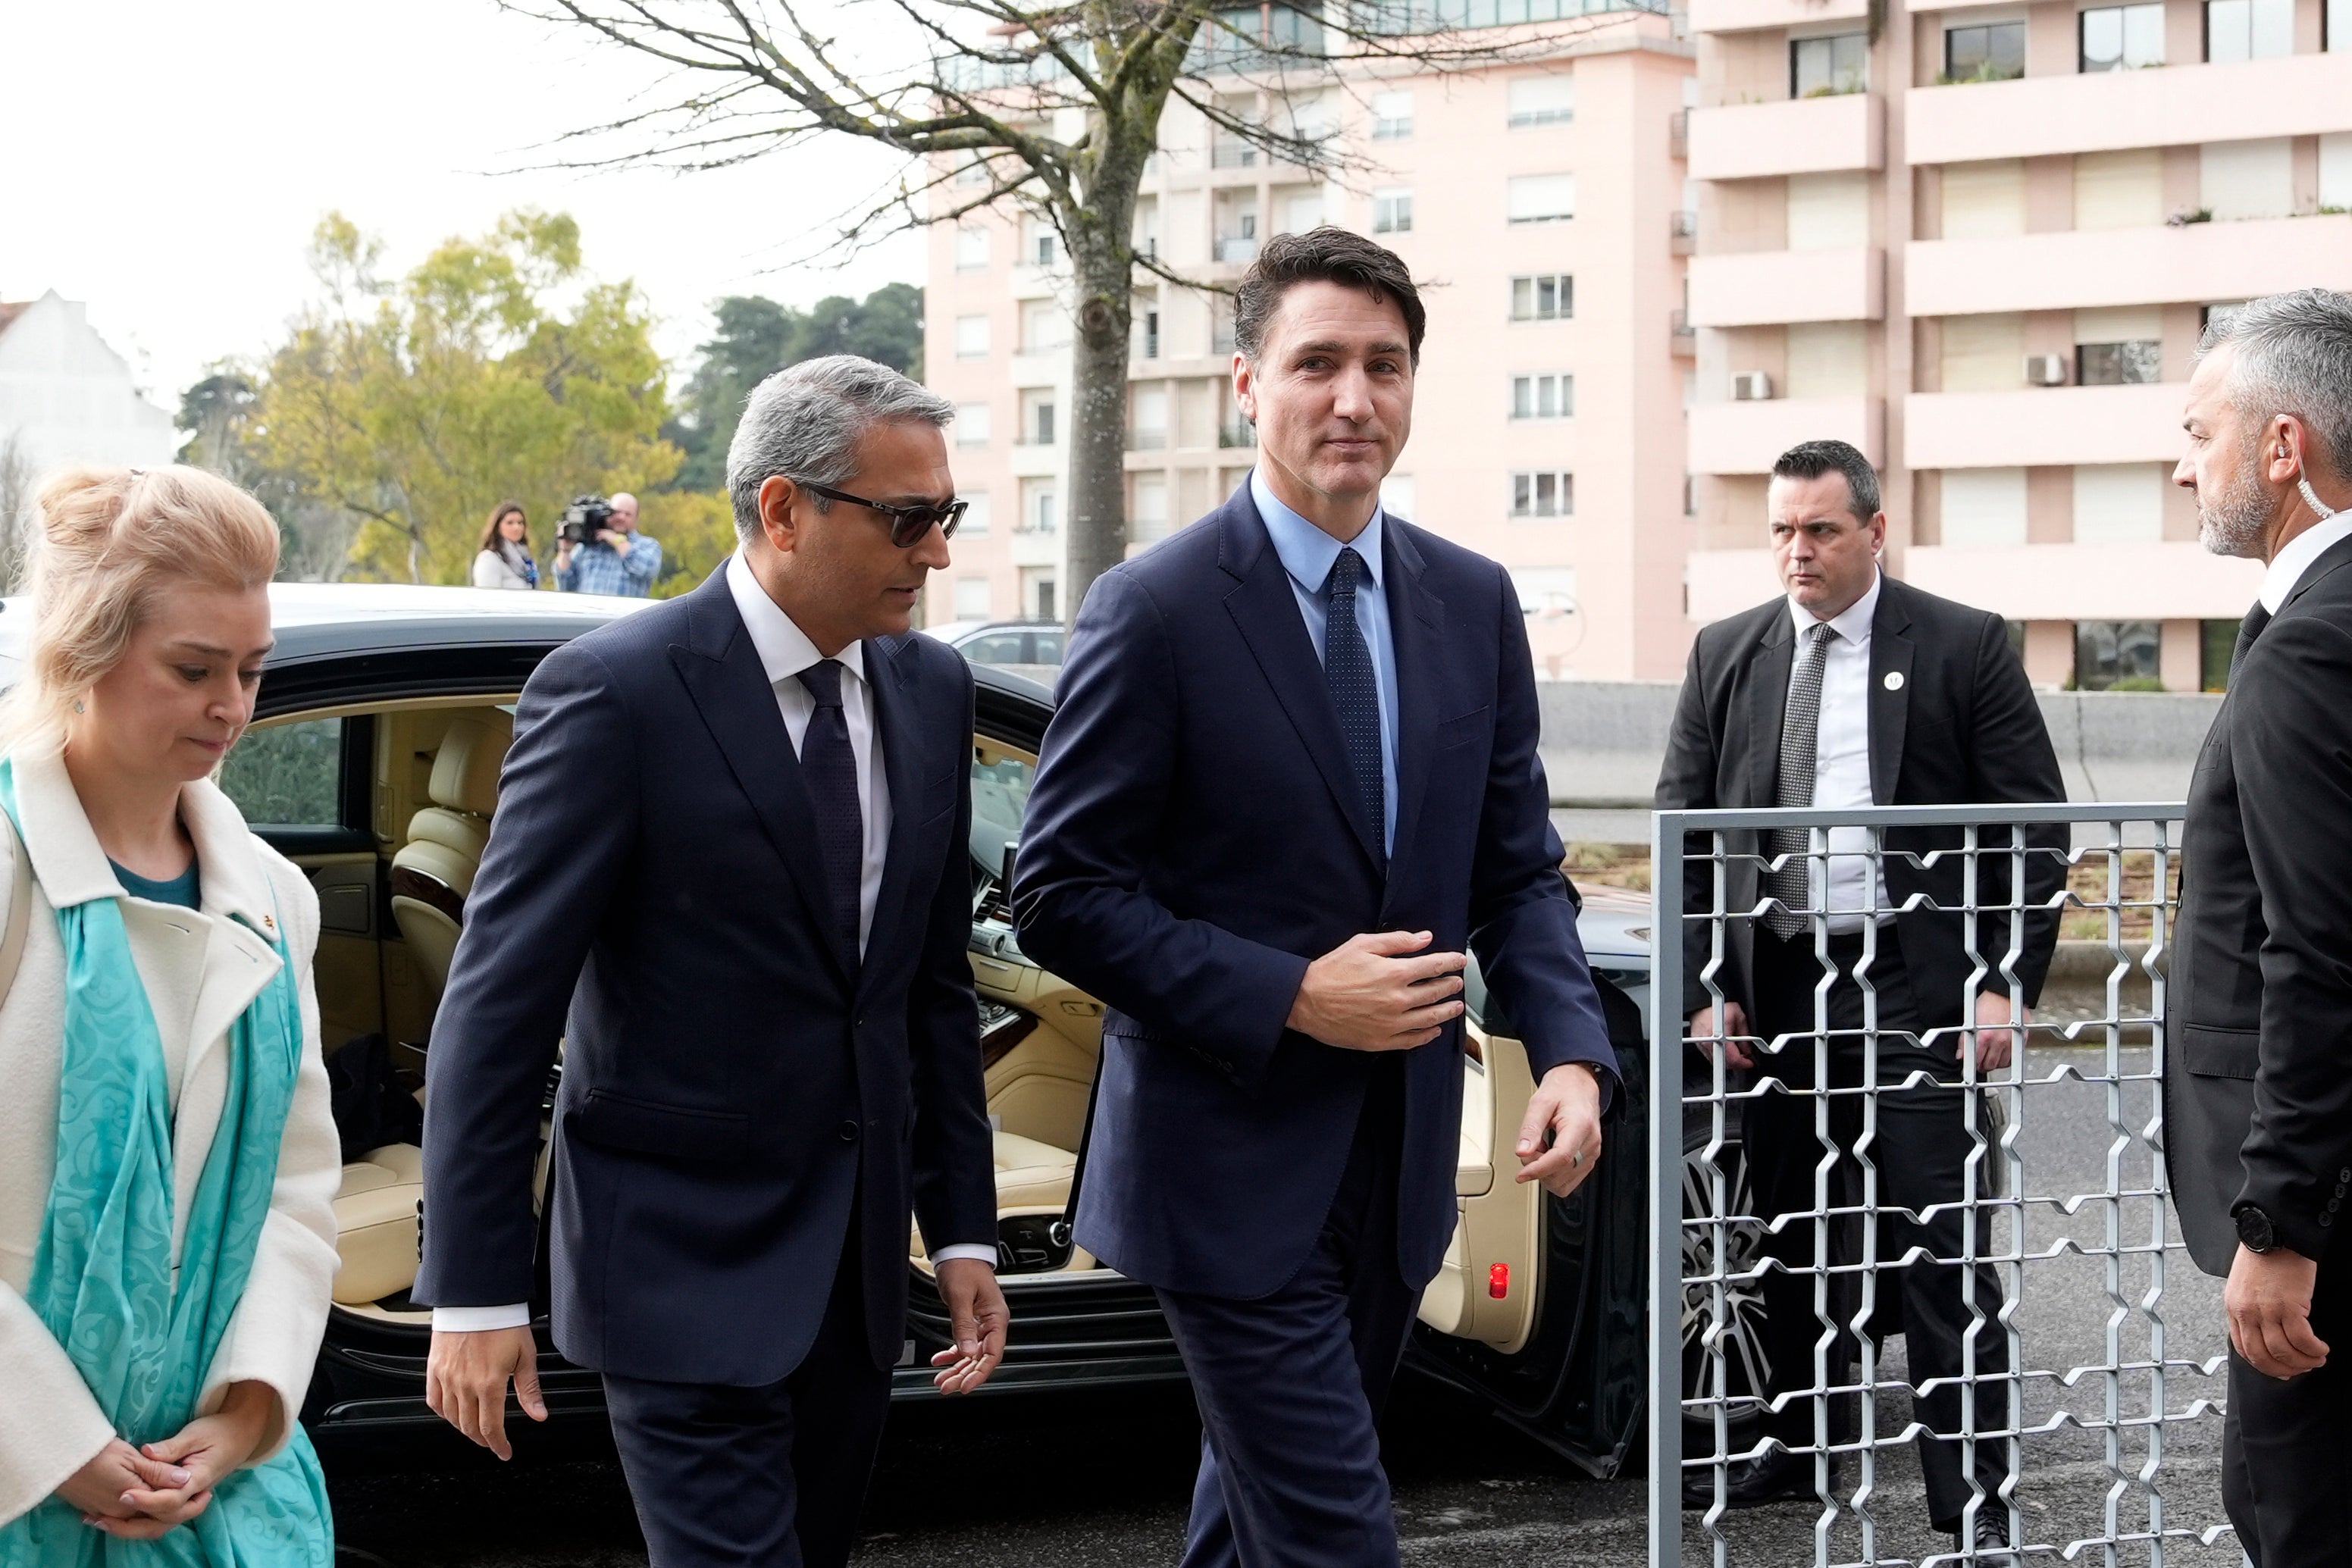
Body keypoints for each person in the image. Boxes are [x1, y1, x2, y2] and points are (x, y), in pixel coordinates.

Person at [1012, 228, 1618, 1568]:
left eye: (1384, 365)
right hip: (1218, 1175)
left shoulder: (1470, 600)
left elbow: (1515, 866)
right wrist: (1288, 989)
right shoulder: (1152, 608)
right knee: (1337, 1536)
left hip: (1399, 1174)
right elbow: (1054, 890)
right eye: (1317, 362)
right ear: (1246, 384)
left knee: (1259, 1521)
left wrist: (1570, 1049)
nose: (1353, 397)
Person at [414, 356, 1007, 1568]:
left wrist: (962, 1234)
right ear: (783, 510)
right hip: (671, 1277)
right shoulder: (614, 692)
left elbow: (927, 992)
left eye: (944, 516)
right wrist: (472, 1293)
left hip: (853, 1286)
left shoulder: (934, 690)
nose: (935, 552)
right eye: (908, 520)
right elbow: (496, 1008)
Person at [1655, 439, 2065, 1550]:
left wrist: (2000, 983)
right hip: (1778, 986)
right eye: (1783, 530)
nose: (1797, 551)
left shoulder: (1962, 645)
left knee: (1939, 1241)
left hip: (1914, 981)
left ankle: (1969, 1499)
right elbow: (1680, 835)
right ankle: (1796, 1445)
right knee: (1791, 1228)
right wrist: (1702, 985)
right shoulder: (1724, 653)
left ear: (1873, 532)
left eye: (1821, 530)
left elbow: (2033, 824)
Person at [0, 466, 339, 1562]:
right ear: (85, 652)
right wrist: (52, 1441)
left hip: (218, 1500)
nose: (234, 708)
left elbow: (294, 1187)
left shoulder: (276, 899)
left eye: (251, 670)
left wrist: (246, 1416)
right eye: (194, 669)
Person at [2164, 289, 2352, 1566]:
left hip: (2325, 1228)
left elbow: (2321, 952)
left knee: (2295, 1517)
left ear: (2281, 446)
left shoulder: (2310, 648)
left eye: (2197, 432)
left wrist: (2278, 1227)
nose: (2185, 466)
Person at [553, 491, 661, 596]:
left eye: (628, 514)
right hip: (589, 613)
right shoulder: (588, 547)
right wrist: (565, 550)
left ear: (636, 519)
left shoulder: (647, 545)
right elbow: (564, 587)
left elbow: (648, 569)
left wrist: (617, 541)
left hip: (626, 614)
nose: (621, 517)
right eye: (616, 512)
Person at [471, 502, 538, 590]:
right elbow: (488, 598)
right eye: (510, 523)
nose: (516, 527)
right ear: (498, 527)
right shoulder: (489, 558)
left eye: (520, 523)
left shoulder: (526, 561)